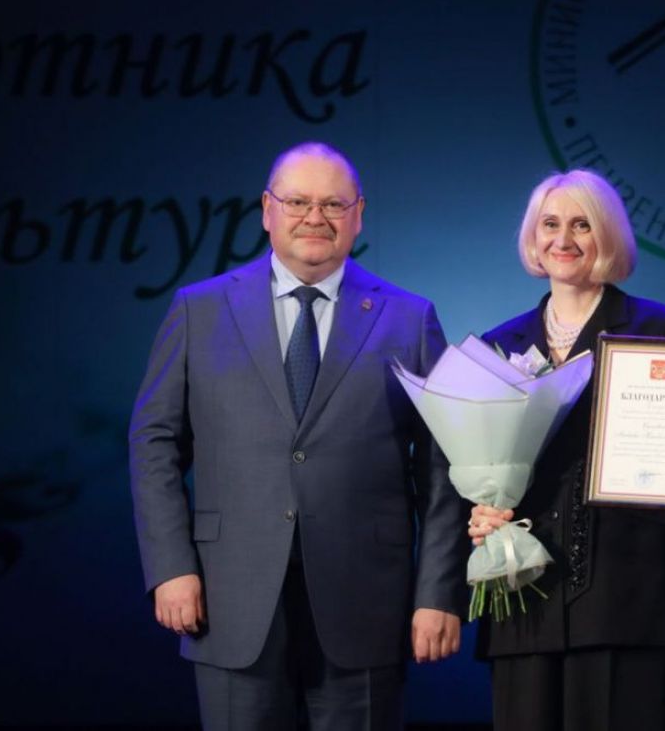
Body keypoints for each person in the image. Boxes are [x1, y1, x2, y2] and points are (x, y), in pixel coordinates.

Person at [129, 142, 466, 731]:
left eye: (334, 204)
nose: (316, 217)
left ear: (359, 215)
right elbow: (154, 443)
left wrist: (437, 592)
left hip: (367, 601)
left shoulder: (409, 319)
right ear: (267, 209)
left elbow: (443, 467)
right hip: (227, 600)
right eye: (298, 202)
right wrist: (170, 566)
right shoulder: (198, 310)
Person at [468, 169, 665, 731]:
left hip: (627, 592)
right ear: (533, 236)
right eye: (550, 224)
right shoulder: (498, 342)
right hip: (524, 590)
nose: (563, 239)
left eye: (582, 225)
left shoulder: (656, 326)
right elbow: (480, 461)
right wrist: (482, 507)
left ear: (607, 235)